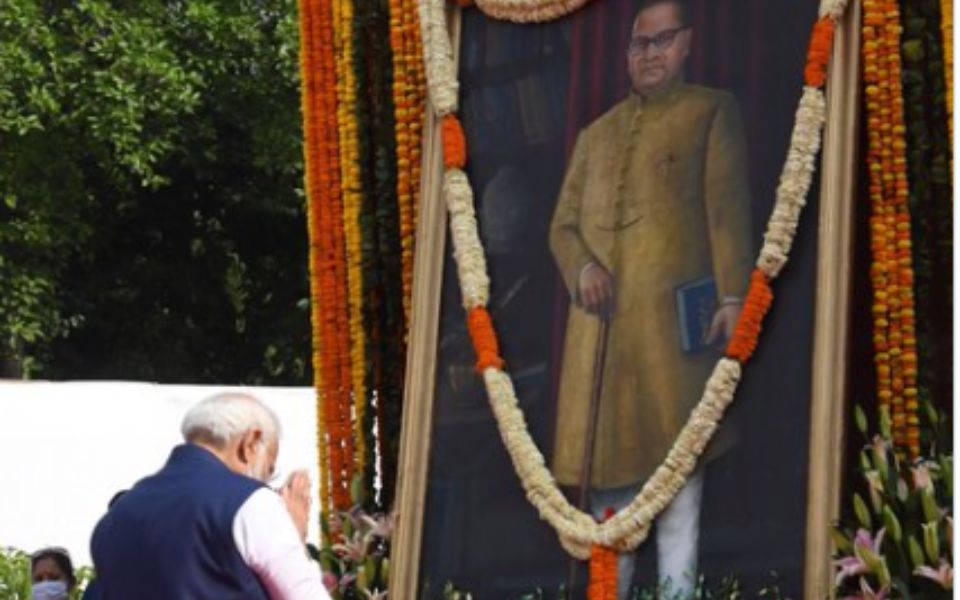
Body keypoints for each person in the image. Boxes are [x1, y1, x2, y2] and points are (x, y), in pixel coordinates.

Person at [548, 0, 753, 597]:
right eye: (640, 44)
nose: (650, 54)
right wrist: (583, 266)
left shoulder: (709, 112)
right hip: (603, 354)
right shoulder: (595, 136)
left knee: (680, 498)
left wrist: (733, 298)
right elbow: (561, 227)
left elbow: (727, 211)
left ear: (687, 44)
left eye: (662, 41)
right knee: (612, 508)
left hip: (672, 348)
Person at [90, 392, 332, 600]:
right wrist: (297, 539)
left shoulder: (117, 515)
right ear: (250, 443)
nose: (266, 482)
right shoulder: (250, 501)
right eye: (269, 470)